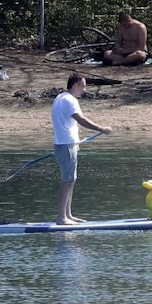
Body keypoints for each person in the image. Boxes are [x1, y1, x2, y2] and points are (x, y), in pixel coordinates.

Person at [53, 72, 113, 225]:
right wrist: (101, 128)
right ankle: (61, 218)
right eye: (83, 86)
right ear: (75, 85)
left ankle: (68, 215)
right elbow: (80, 120)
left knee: (71, 180)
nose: (84, 90)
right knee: (68, 180)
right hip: (66, 146)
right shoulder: (70, 100)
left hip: (65, 144)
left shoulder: (60, 98)